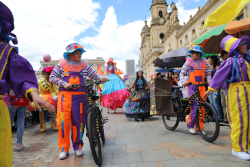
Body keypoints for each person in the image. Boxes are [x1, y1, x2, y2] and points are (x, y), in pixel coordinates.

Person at [0, 2, 54, 166]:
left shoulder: (5, 51)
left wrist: (33, 93)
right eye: (45, 73)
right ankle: (37, 130)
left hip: (28, 100)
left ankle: (21, 141)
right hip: (21, 101)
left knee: (24, 120)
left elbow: (23, 78)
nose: (46, 74)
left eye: (47, 73)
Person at [49, 43, 107, 160]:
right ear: (70, 55)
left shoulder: (84, 66)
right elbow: (52, 78)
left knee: (79, 123)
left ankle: (78, 146)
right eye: (77, 52)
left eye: (80, 52)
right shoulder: (61, 66)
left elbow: (95, 74)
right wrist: (64, 83)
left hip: (80, 98)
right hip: (65, 98)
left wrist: (101, 78)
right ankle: (64, 149)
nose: (79, 54)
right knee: (63, 124)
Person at [204, 35, 250, 160]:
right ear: (235, 48)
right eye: (242, 44)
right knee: (239, 120)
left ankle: (246, 146)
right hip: (237, 93)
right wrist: (210, 89)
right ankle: (237, 148)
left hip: (248, 92)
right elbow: (219, 75)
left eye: (245, 43)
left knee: (248, 120)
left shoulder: (247, 59)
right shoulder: (231, 61)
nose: (245, 45)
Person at [180, 45, 211, 135]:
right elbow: (182, 73)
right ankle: (190, 126)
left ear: (199, 54)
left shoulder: (205, 63)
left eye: (193, 53)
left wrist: (209, 80)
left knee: (202, 107)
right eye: (191, 53)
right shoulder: (188, 63)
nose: (191, 55)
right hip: (191, 87)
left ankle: (200, 128)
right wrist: (182, 81)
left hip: (202, 87)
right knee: (195, 106)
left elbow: (209, 73)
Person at [38, 66, 59, 132]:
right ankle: (42, 125)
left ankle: (54, 124)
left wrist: (56, 96)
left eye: (47, 74)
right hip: (42, 98)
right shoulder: (40, 81)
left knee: (52, 111)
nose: (45, 75)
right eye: (44, 74)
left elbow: (56, 90)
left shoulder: (54, 81)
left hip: (51, 98)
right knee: (41, 112)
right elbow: (38, 90)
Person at [206, 55, 223, 122]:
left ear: (212, 60)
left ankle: (219, 118)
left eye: (209, 59)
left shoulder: (217, 67)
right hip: (209, 87)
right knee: (212, 103)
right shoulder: (208, 67)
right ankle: (214, 117)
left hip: (216, 87)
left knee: (216, 103)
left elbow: (219, 76)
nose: (208, 61)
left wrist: (215, 70)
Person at [219, 50, 229, 124]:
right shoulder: (223, 63)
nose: (222, 58)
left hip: (228, 87)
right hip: (222, 86)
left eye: (222, 56)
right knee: (223, 103)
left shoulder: (229, 62)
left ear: (227, 54)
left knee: (227, 103)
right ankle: (225, 119)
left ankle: (229, 119)